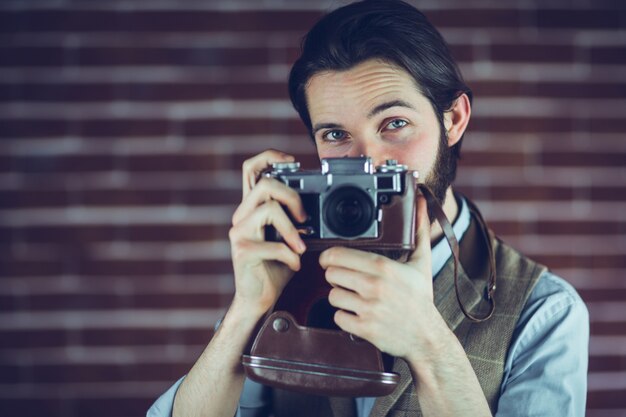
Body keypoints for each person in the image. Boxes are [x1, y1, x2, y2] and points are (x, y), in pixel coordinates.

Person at [148, 1, 589, 416]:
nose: (370, 161)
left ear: (452, 119)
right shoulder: (286, 272)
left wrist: (428, 343)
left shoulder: (545, 311)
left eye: (394, 124)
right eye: (336, 136)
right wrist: (247, 310)